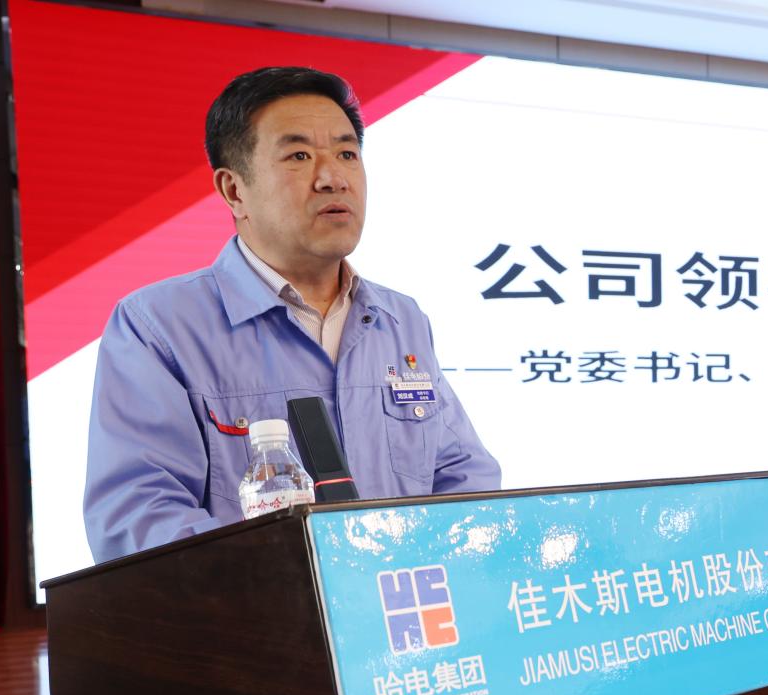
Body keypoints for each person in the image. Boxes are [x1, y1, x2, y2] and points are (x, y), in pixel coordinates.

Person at [83, 67, 501, 564]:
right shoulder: (158, 327)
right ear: (234, 190)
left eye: (347, 154)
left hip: (404, 602)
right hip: (261, 611)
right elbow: (139, 519)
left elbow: (464, 477)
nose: (333, 178)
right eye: (299, 156)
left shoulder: (400, 319)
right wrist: (310, 583)